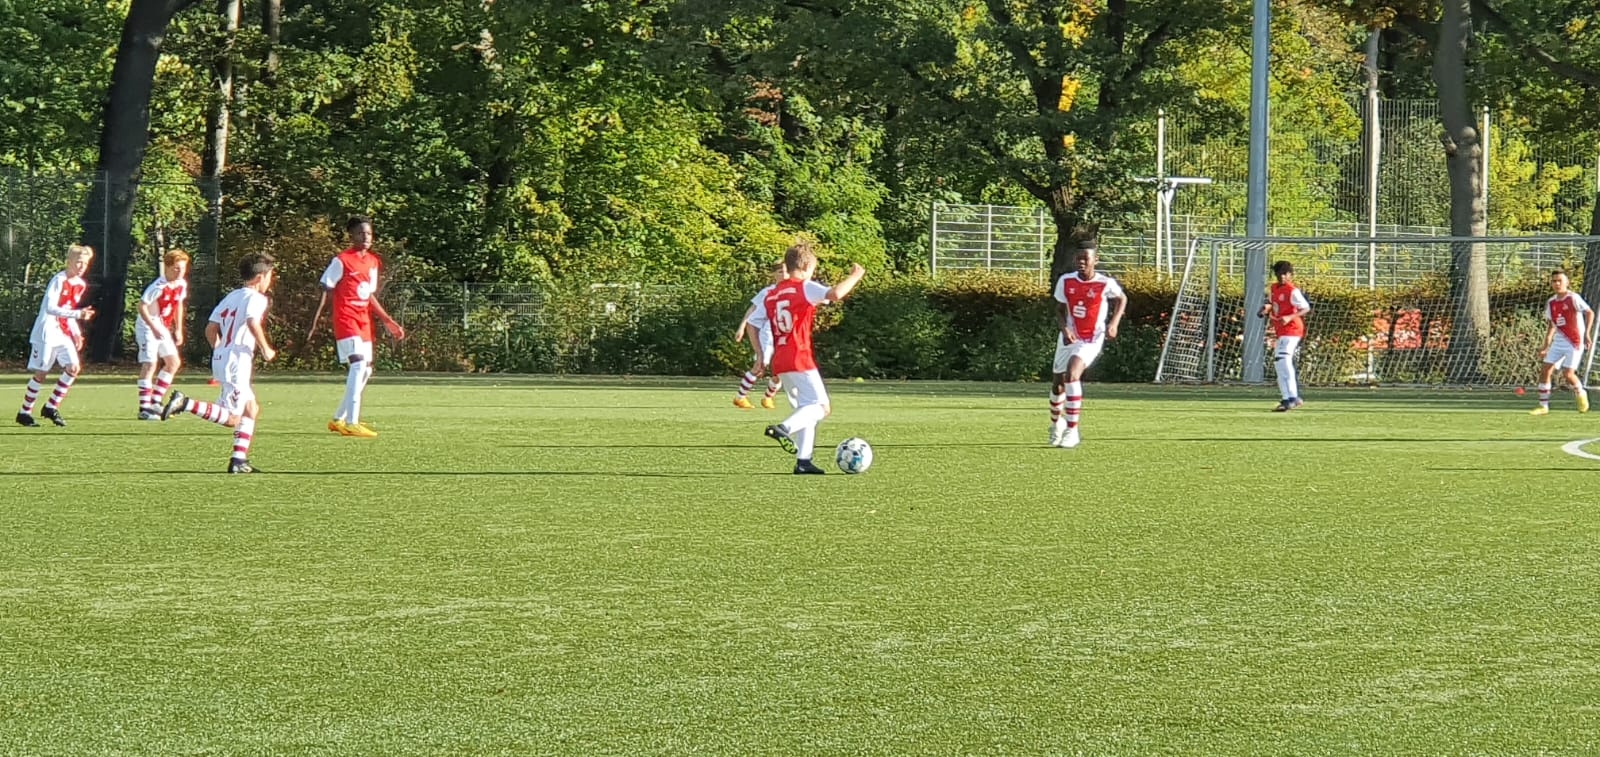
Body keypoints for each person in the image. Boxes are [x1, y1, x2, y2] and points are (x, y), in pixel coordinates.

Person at [161, 253, 277, 474]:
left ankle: (238, 461)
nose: (270, 281)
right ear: (260, 277)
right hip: (237, 362)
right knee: (233, 418)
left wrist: (221, 350)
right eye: (270, 276)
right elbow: (252, 322)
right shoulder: (256, 298)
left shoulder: (232, 296)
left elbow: (210, 328)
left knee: (251, 408)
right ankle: (185, 403)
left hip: (225, 357)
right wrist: (266, 348)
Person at [761, 243, 866, 474]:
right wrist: (855, 276)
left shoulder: (772, 294)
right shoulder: (804, 287)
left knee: (805, 408)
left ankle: (803, 461)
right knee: (821, 407)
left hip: (781, 358)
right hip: (799, 356)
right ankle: (784, 428)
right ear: (807, 266)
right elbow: (835, 294)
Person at [307, 216, 405, 438]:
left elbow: (368, 295)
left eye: (369, 233)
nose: (366, 237)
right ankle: (352, 422)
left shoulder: (373, 262)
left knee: (366, 369)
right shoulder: (341, 261)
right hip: (346, 319)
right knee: (359, 365)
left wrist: (387, 320)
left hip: (364, 321)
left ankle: (338, 419)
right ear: (351, 236)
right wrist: (314, 321)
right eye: (361, 233)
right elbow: (325, 288)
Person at [1047, 242, 1125, 448]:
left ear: (1095, 260)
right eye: (1078, 258)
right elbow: (1059, 309)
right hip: (1069, 337)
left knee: (1072, 374)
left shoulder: (1105, 283)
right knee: (1058, 384)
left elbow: (1122, 298)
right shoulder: (1066, 281)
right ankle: (1056, 424)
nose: (1081, 262)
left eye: (1085, 259)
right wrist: (1065, 329)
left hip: (1091, 338)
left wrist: (1114, 323)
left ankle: (1072, 431)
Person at [17, 244, 96, 428]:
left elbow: (67, 309)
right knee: (42, 372)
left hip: (62, 331)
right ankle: (24, 413)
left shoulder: (80, 284)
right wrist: (79, 314)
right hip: (47, 331)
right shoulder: (58, 280)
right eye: (78, 262)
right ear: (69, 262)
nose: (82, 266)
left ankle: (51, 407)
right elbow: (51, 308)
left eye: (85, 263)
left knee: (73, 367)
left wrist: (76, 332)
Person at [135, 249, 190, 419]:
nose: (180, 272)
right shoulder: (158, 286)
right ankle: (144, 408)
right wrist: (153, 327)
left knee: (173, 363)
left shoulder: (181, 284)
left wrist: (179, 328)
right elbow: (142, 306)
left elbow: (178, 304)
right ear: (167, 267)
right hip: (147, 326)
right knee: (150, 364)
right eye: (176, 268)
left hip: (162, 326)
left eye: (183, 268)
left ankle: (156, 402)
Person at [1531, 269, 1592, 415]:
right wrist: (1545, 346)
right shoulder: (1551, 302)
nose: (1557, 284)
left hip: (1574, 342)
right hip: (1558, 342)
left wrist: (1587, 334)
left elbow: (1590, 312)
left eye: (1560, 281)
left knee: (1568, 374)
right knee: (1545, 370)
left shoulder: (1573, 298)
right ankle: (1543, 406)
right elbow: (1552, 326)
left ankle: (1581, 393)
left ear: (1567, 282)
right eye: (1554, 281)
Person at [1257, 260, 1312, 412]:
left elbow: (1306, 308)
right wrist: (1265, 309)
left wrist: (1290, 317)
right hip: (1281, 330)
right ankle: (1289, 398)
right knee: (1279, 363)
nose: (1282, 277)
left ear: (1290, 275)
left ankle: (1291, 398)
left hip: (1293, 329)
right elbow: (1271, 302)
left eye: (1285, 274)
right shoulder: (1274, 288)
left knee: (1283, 360)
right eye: (1279, 274)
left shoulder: (1292, 291)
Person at [733, 263, 786, 410]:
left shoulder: (793, 291)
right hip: (767, 332)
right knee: (761, 365)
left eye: (787, 271)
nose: (784, 275)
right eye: (780, 272)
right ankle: (740, 397)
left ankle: (768, 397)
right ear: (774, 274)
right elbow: (753, 309)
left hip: (784, 334)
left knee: (781, 369)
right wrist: (742, 327)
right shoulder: (768, 292)